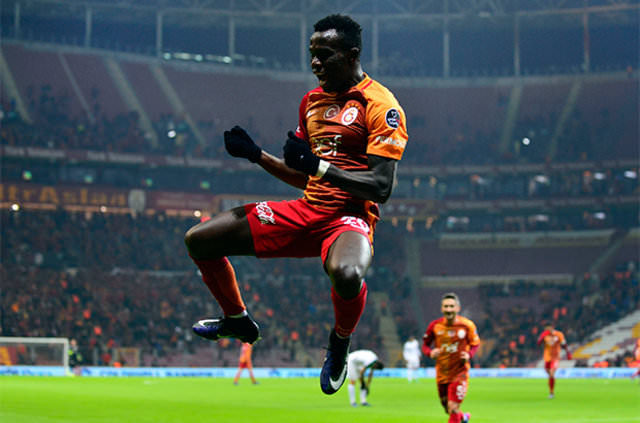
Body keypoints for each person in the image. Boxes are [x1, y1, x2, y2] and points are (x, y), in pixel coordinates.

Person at [184, 13, 408, 396]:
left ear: (352, 55)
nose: (315, 63)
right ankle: (236, 318)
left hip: (348, 219)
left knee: (347, 274)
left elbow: (381, 187)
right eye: (312, 54)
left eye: (325, 54)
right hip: (306, 210)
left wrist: (319, 166)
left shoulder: (380, 104)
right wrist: (257, 155)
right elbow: (305, 176)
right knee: (199, 239)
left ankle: (339, 342)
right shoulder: (311, 102)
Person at [422, 293, 480, 423]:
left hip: (460, 373)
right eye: (446, 306)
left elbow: (475, 344)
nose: (449, 309)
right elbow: (425, 345)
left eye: (451, 306)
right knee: (448, 409)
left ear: (458, 308)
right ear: (441, 308)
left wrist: (469, 354)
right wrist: (430, 353)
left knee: (453, 407)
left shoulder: (467, 325)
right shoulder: (435, 326)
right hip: (442, 374)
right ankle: (463, 418)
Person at [536, 322, 572, 398]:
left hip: (555, 357)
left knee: (552, 373)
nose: (547, 330)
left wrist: (568, 353)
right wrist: (542, 337)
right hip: (547, 357)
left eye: (548, 328)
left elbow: (564, 344)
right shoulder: (545, 335)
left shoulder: (559, 334)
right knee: (549, 374)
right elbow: (538, 343)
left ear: (552, 327)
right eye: (546, 328)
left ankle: (551, 393)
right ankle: (551, 382)